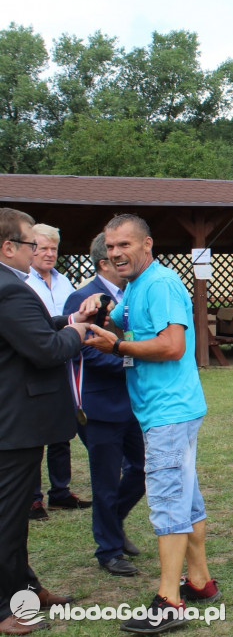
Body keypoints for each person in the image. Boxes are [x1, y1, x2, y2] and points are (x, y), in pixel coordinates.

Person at [83, 214, 220, 634]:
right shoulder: (135, 286)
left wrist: (117, 344)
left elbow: (173, 346)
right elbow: (126, 322)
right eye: (110, 248)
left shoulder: (159, 284)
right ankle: (199, 582)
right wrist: (101, 313)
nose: (116, 253)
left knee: (167, 503)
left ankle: (169, 601)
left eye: (124, 245)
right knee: (186, 497)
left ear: (147, 245)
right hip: (162, 410)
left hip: (169, 412)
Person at [0, 207, 93, 635]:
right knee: (9, 517)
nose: (35, 250)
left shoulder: (11, 290)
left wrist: (70, 320)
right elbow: (44, 350)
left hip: (14, 420)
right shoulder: (10, 289)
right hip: (14, 422)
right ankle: (6, 608)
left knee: (16, 514)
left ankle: (27, 588)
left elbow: (30, 331)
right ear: (9, 247)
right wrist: (79, 334)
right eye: (28, 244)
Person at [63, 232, 146, 578]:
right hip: (99, 405)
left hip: (134, 402)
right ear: (103, 263)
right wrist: (133, 361)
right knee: (106, 480)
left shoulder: (133, 293)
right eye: (115, 255)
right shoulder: (80, 300)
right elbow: (83, 351)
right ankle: (109, 550)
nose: (122, 260)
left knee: (143, 470)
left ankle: (114, 521)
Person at [26, 223, 90, 519]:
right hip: (36, 363)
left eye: (54, 248)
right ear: (30, 248)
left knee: (62, 428)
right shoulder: (22, 282)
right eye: (43, 248)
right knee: (35, 429)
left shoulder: (64, 282)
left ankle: (60, 491)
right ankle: (32, 497)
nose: (49, 254)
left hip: (65, 360)